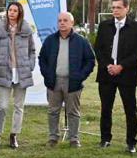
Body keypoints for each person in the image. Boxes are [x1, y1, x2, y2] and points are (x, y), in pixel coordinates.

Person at [93, 0, 137, 153]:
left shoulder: (136, 27)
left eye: (118, 7)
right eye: (113, 8)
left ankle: (131, 142)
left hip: (127, 74)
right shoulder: (104, 26)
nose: (115, 10)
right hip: (106, 73)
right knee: (106, 108)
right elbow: (99, 49)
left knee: (130, 109)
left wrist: (121, 66)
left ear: (126, 9)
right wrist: (108, 65)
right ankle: (105, 139)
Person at [39, 11, 96, 148]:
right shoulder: (50, 40)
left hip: (73, 83)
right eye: (60, 21)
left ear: (72, 23)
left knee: (73, 112)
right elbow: (42, 59)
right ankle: (53, 138)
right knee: (53, 111)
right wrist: (47, 75)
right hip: (54, 82)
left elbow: (90, 60)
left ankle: (74, 139)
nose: (62, 23)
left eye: (65, 20)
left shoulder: (81, 41)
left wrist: (80, 77)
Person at [0, 1, 36, 149]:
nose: (12, 13)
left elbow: (32, 50)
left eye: (15, 10)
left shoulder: (26, 29)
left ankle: (14, 135)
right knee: (2, 106)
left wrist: (30, 65)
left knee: (19, 106)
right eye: (10, 10)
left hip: (21, 73)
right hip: (4, 71)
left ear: (19, 13)